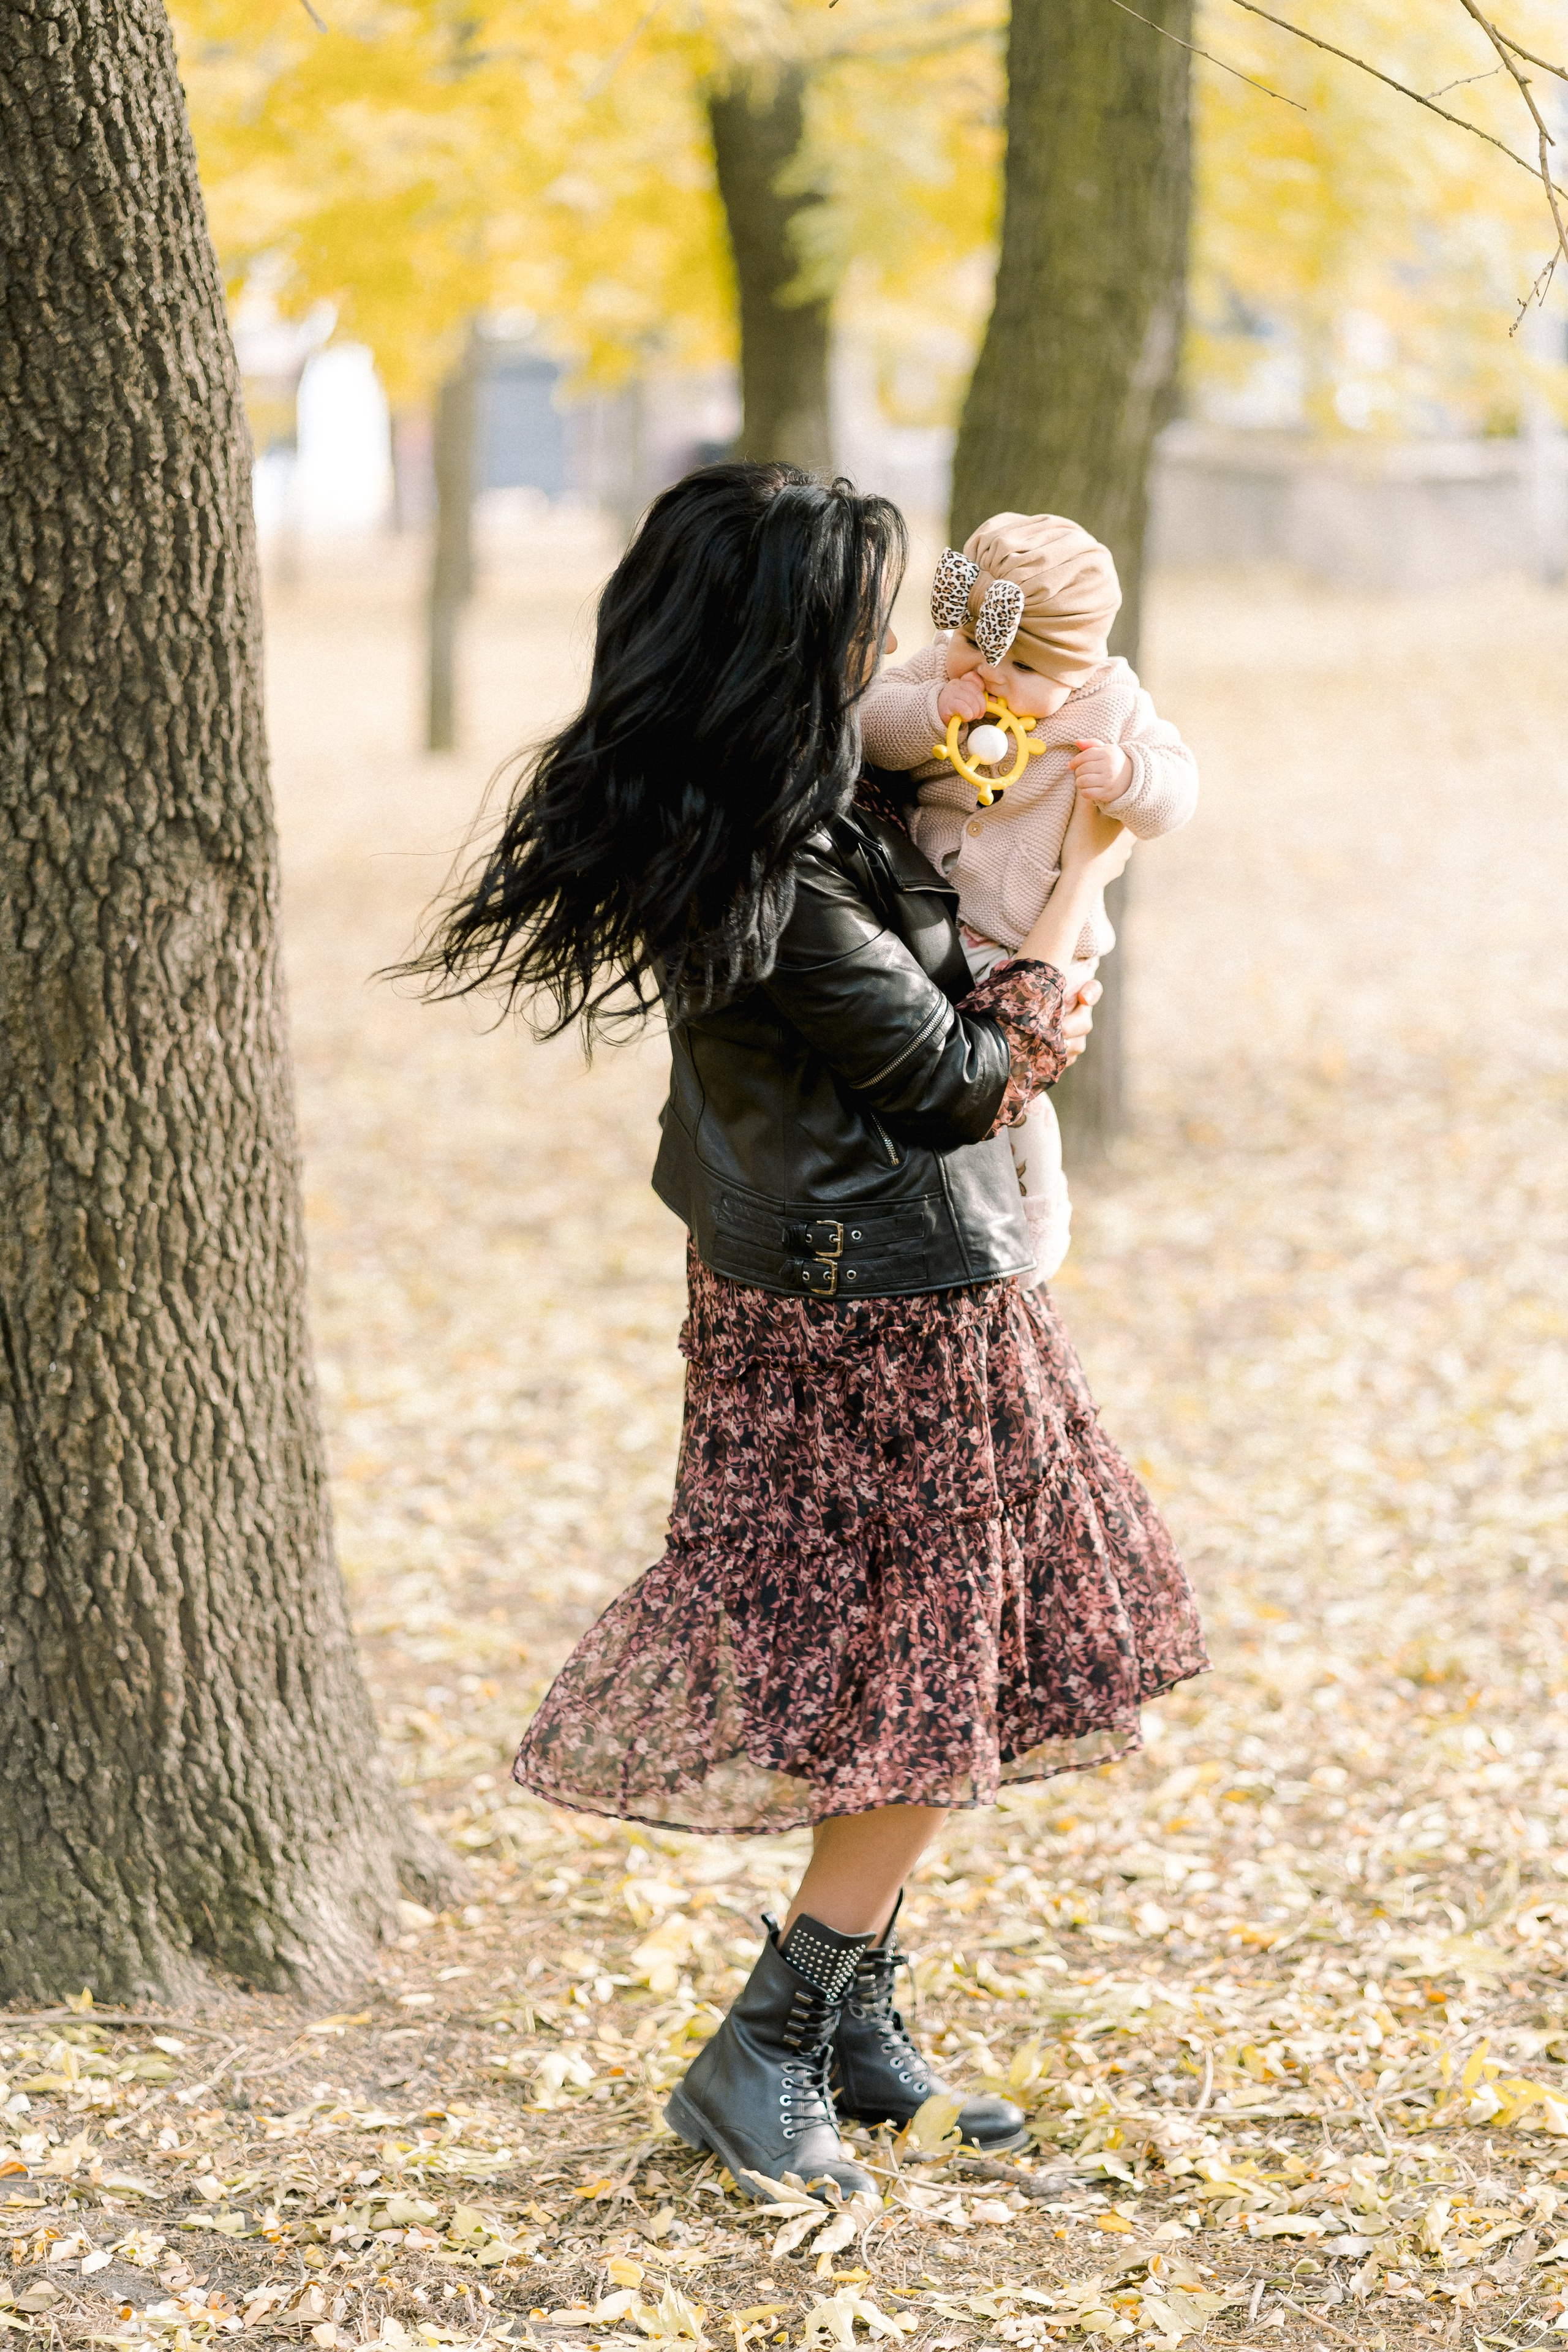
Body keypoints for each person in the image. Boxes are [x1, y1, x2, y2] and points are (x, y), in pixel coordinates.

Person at [407, 462, 1208, 2207]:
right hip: (894, 1298)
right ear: (785, 645)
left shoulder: (749, 793)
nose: (886, 658)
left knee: (897, 1660)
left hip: (797, 1281)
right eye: (857, 624)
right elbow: (961, 1081)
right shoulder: (778, 864)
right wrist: (1082, 886)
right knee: (936, 1671)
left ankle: (851, 2031)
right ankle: (765, 2049)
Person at [859, 513, 1198, 1285]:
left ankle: (1038, 1213)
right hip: (934, 925)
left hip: (1033, 941)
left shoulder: (1112, 706)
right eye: (976, 645)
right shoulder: (943, 674)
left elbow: (1179, 784)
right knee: (938, 1074)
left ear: (1078, 667)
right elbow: (867, 724)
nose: (988, 674)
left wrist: (1129, 780)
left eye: (1018, 666)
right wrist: (932, 709)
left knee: (1012, 1093)